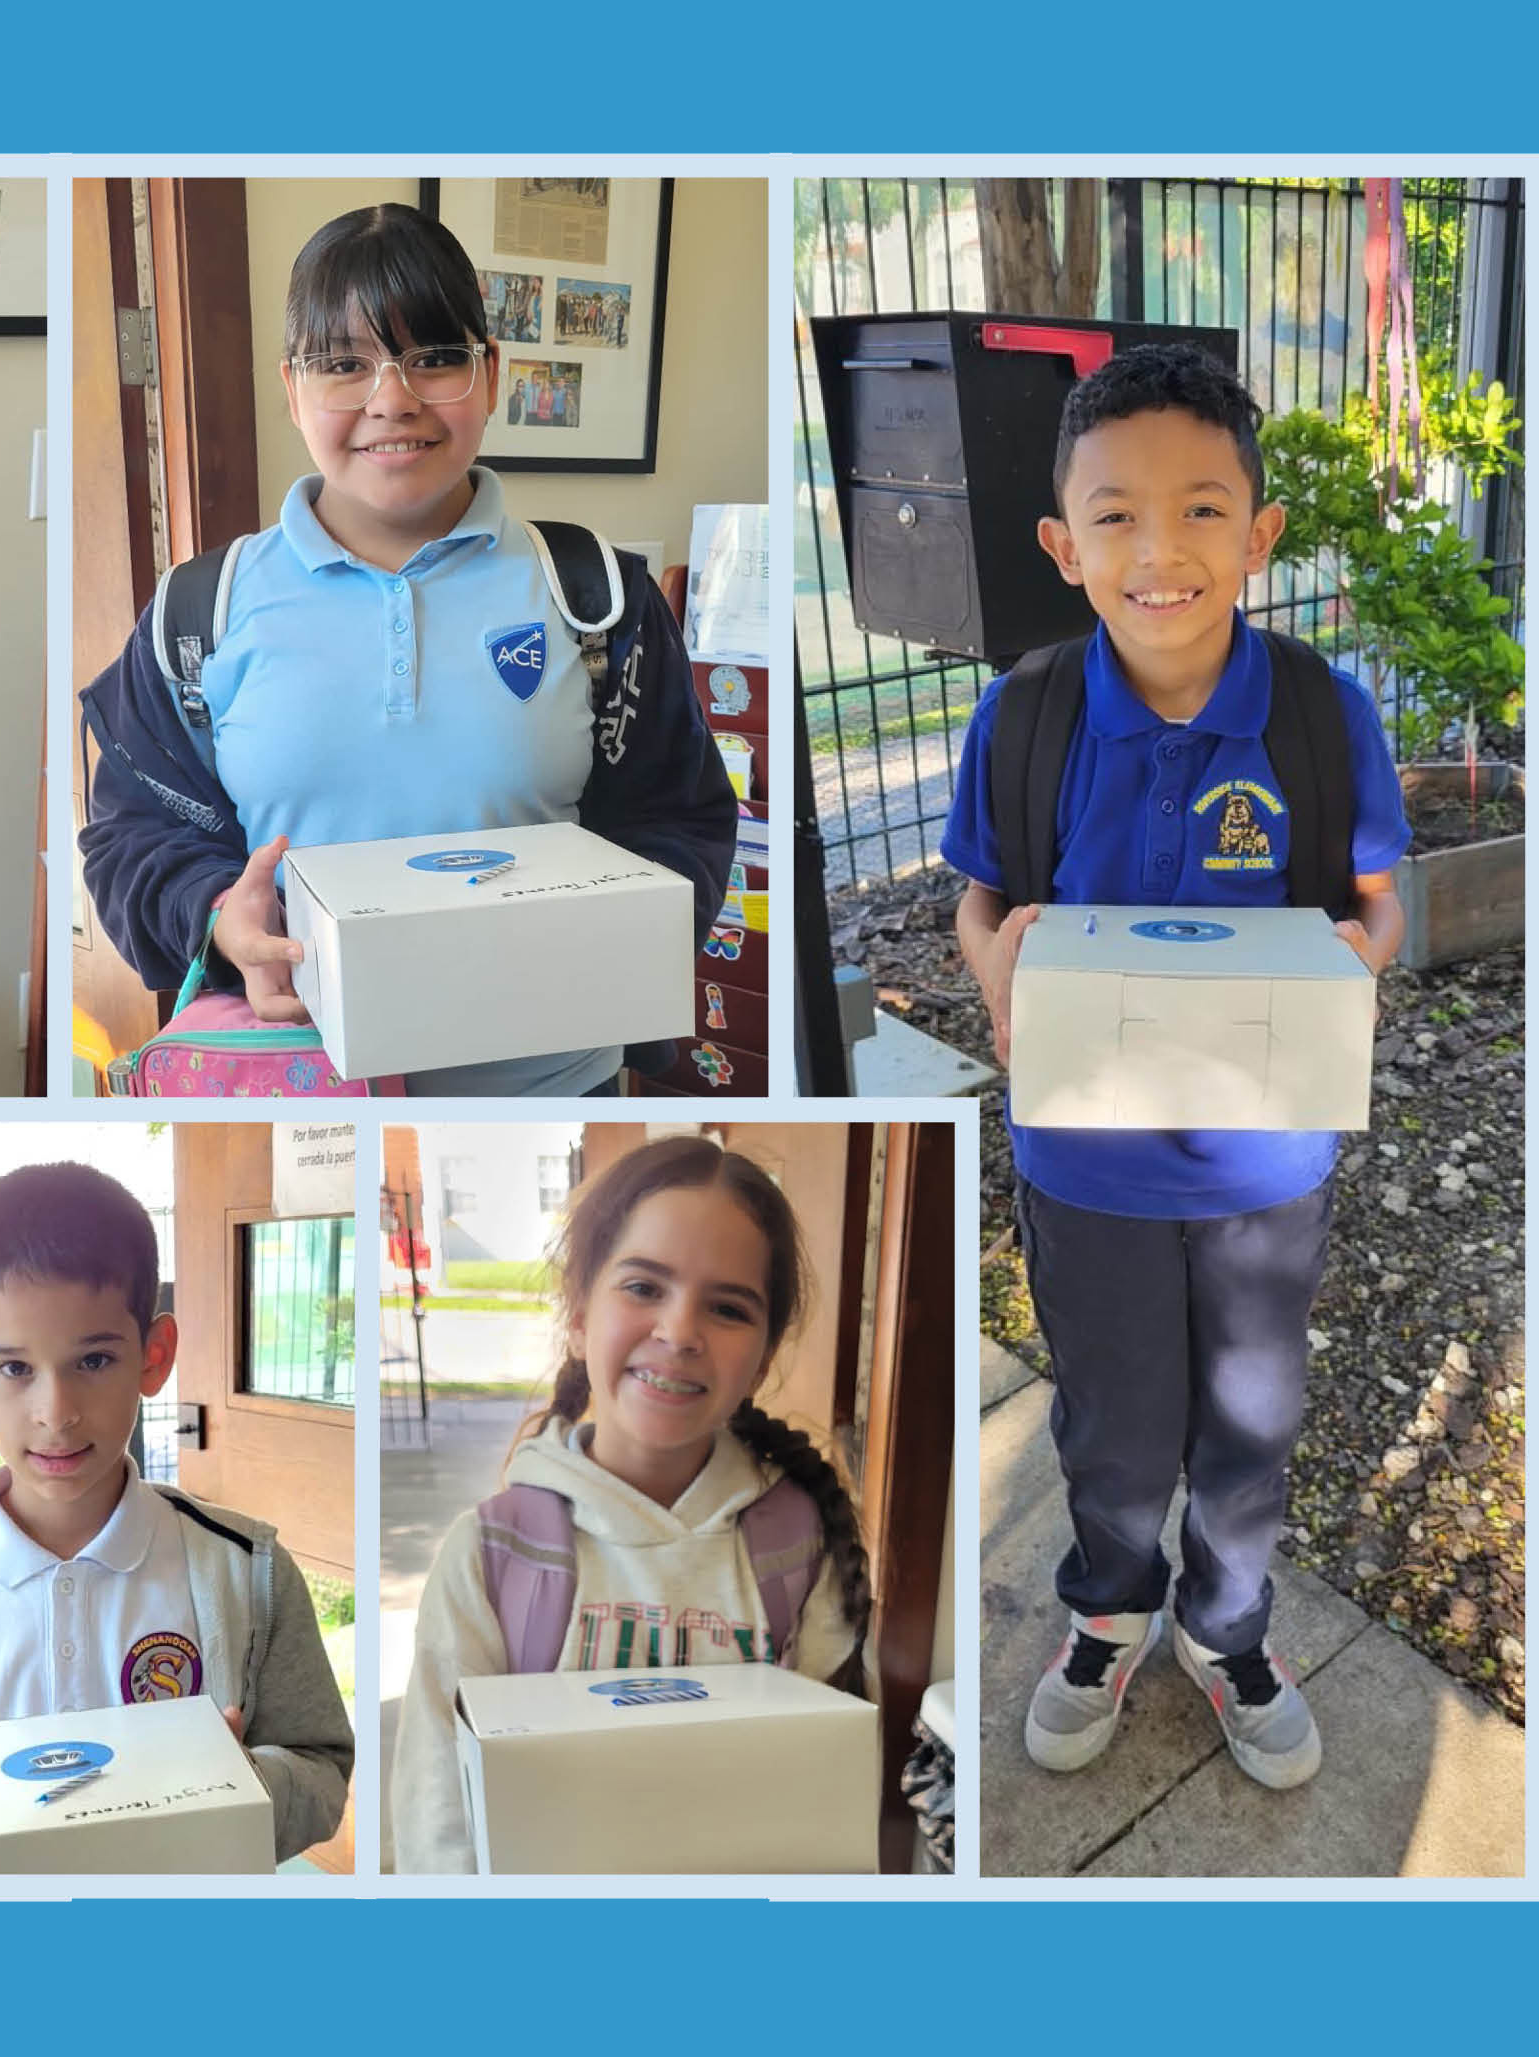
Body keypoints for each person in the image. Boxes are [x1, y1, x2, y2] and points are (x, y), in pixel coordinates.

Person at [941, 342, 1408, 1791]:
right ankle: (1109, 1607)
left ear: (1259, 535)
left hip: (1267, 1160)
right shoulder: (1023, 717)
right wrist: (991, 961)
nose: (1160, 550)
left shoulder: (1318, 717)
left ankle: (1229, 1624)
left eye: (1202, 509)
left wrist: (1358, 961)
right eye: (1116, 514)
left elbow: (1377, 899)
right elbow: (979, 898)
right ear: (1060, 544)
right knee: (1116, 1418)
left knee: (1252, 1412)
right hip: (1085, 1162)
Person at [78, 203, 735, 1097]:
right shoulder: (201, 614)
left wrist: (623, 938)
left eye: (433, 358)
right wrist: (217, 916)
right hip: (299, 1090)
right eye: (343, 364)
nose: (392, 399)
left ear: (491, 372)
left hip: (553, 1092)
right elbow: (129, 836)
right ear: (292, 387)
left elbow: (683, 819)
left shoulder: (598, 601)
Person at [0, 1162, 352, 1872]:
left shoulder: (245, 1572)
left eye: (95, 1358)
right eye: (14, 1368)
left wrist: (249, 1789)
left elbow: (321, 1763)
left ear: (154, 1356)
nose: (56, 1411)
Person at [390, 1136, 874, 1873]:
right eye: (645, 1286)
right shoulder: (492, 1556)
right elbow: (437, 1820)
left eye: (727, 1307)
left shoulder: (798, 1547)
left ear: (765, 1359)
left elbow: (824, 1806)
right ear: (579, 1314)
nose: (680, 1332)